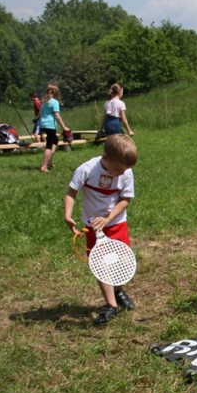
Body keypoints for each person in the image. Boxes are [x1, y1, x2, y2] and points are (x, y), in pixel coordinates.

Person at [63, 134, 138, 326]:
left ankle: (118, 290)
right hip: (94, 227)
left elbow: (125, 200)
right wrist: (68, 215)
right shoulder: (87, 169)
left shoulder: (126, 172)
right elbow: (71, 193)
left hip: (117, 222)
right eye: (118, 169)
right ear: (105, 158)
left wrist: (108, 218)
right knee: (100, 263)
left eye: (124, 170)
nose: (121, 173)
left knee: (122, 262)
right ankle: (111, 304)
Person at [38, 83, 71, 172]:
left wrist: (36, 118)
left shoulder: (44, 102)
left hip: (43, 125)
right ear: (56, 93)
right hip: (50, 126)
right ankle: (43, 166)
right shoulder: (54, 102)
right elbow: (57, 115)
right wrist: (64, 127)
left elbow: (40, 113)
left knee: (55, 141)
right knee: (49, 146)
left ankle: (49, 161)